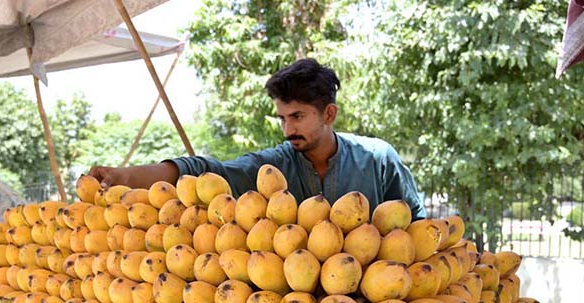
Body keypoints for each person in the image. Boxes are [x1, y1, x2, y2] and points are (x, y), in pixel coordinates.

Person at [89, 58, 426, 218]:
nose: (287, 129)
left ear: (329, 114)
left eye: (297, 116)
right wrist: (127, 176)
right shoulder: (274, 166)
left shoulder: (378, 158)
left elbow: (418, 226)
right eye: (282, 118)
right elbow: (204, 170)